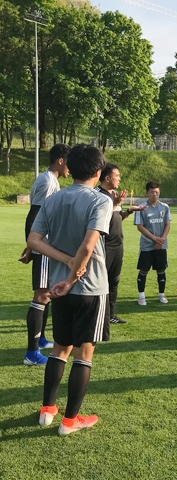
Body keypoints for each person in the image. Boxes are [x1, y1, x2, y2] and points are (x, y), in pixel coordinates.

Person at [27, 144, 112, 435]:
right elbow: (88, 246)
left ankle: (47, 409)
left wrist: (63, 265)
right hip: (89, 287)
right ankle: (70, 421)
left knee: (60, 349)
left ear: (70, 168)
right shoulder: (101, 201)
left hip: (59, 286)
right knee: (84, 353)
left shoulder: (54, 198)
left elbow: (34, 240)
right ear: (98, 172)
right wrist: (74, 276)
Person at [19, 144, 71, 366]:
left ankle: (39, 340)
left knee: (47, 294)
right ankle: (31, 354)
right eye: (69, 162)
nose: (71, 168)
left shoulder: (52, 180)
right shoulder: (47, 181)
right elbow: (35, 215)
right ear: (60, 161)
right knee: (40, 296)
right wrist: (32, 247)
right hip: (44, 247)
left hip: (47, 246)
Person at [96, 163, 147, 324]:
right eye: (117, 176)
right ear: (107, 178)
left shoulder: (115, 195)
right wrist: (115, 204)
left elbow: (117, 217)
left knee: (114, 280)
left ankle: (110, 315)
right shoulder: (97, 195)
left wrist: (129, 211)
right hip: (103, 244)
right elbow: (98, 219)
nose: (119, 179)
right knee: (100, 281)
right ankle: (98, 315)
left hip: (118, 244)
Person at [134, 181, 171, 306]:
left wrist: (162, 239)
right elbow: (140, 226)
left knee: (161, 269)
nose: (154, 195)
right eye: (152, 192)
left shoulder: (165, 207)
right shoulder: (141, 207)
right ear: (147, 193)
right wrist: (154, 239)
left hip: (161, 244)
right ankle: (141, 296)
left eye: (157, 192)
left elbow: (167, 224)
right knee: (144, 270)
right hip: (147, 245)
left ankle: (161, 294)